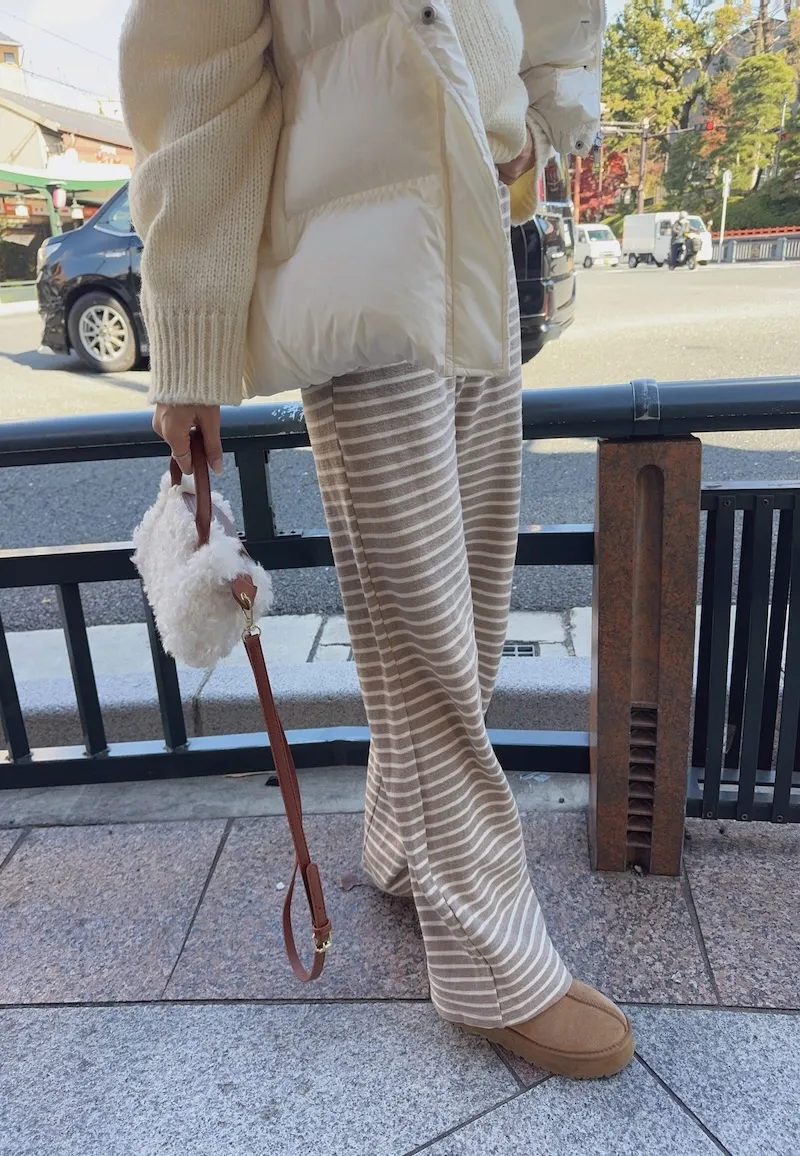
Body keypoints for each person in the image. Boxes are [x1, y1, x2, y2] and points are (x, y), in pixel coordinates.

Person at [120, 0, 633, 1080]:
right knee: (423, 640)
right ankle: (492, 962)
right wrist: (191, 349)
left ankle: (402, 847)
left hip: (481, 224)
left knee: (473, 612)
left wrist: (537, 114)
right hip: (354, 255)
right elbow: (194, 79)